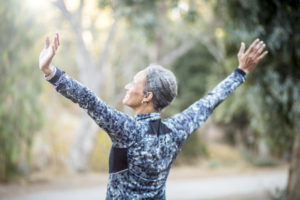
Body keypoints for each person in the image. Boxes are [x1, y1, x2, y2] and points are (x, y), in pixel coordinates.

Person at [39, 32, 267, 200]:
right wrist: (241, 72)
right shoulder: (177, 130)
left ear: (147, 96)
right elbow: (209, 102)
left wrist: (51, 72)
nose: (128, 86)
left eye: (134, 83)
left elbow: (88, 100)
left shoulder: (126, 130)